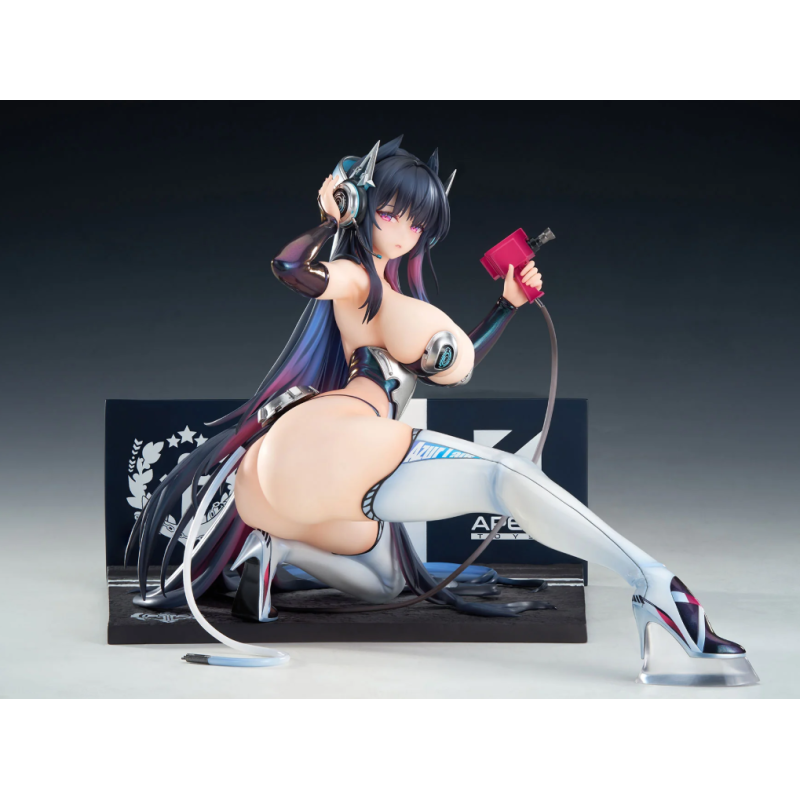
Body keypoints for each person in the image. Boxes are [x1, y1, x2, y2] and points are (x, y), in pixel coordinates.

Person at [128, 135, 756, 684]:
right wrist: (330, 214)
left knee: (387, 583)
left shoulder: (389, 290)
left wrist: (505, 306)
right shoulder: (357, 279)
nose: (403, 230)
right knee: (506, 476)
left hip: (301, 474)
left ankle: (275, 553)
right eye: (390, 212)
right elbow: (291, 268)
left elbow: (449, 362)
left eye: (418, 222)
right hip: (341, 437)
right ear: (364, 206)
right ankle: (657, 587)